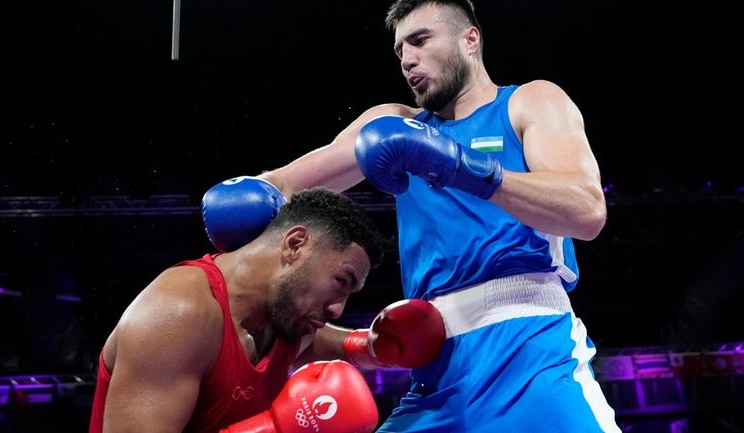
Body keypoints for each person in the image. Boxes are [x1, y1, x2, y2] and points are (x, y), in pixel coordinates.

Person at [203, 1, 622, 432]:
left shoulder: (528, 101)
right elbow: (287, 183)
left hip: (530, 349)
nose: (407, 59)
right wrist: (254, 193)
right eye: (400, 49)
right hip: (435, 370)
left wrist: (461, 166)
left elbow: (587, 210)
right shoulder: (395, 126)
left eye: (420, 41)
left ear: (470, 40)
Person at [88, 187, 387, 433]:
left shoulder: (288, 317)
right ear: (296, 245)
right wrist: (272, 429)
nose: (337, 309)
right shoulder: (177, 314)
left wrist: (370, 346)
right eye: (341, 281)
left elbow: (316, 341)